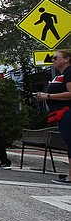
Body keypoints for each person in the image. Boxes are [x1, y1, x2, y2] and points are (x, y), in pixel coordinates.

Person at [33, 50, 71, 184]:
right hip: (60, 112)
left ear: (66, 59)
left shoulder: (69, 73)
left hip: (67, 112)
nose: (53, 60)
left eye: (56, 58)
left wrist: (48, 96)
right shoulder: (61, 75)